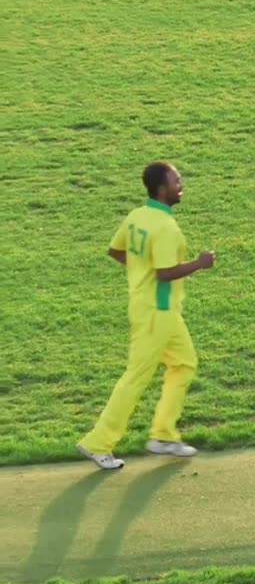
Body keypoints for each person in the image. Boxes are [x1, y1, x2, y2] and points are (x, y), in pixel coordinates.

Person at [77, 161, 216, 470]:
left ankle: (164, 435)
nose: (181, 185)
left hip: (150, 307)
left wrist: (140, 270)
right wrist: (199, 263)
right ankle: (98, 442)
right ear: (162, 188)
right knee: (137, 375)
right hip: (158, 311)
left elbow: (115, 250)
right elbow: (165, 272)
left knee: (184, 363)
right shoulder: (165, 227)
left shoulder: (137, 216)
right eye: (177, 181)